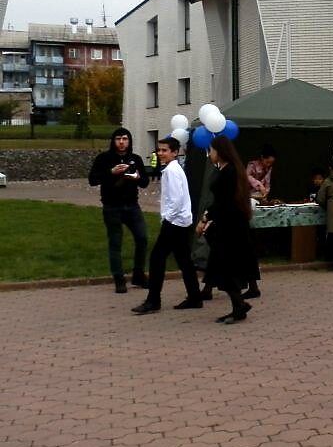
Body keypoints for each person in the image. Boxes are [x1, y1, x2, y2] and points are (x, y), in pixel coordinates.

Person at [131, 137, 202, 315]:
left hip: (175, 222)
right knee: (184, 259)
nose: (161, 153)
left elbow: (176, 199)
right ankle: (195, 296)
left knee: (157, 258)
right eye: (159, 150)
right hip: (181, 220)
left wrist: (167, 218)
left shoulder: (171, 171)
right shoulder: (173, 169)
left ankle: (153, 300)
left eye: (165, 150)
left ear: (174, 152)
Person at [197, 136, 258, 323]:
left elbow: (224, 202)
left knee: (225, 266)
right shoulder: (227, 170)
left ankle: (239, 305)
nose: (209, 154)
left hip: (229, 227)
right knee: (222, 266)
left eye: (211, 150)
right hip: (227, 224)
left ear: (220, 151)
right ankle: (239, 305)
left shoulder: (229, 172)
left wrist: (205, 218)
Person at [88, 127, 151, 293]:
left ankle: (138, 274)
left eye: (125, 139)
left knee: (142, 237)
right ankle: (119, 278)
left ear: (129, 141)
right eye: (118, 139)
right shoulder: (104, 158)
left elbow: (145, 182)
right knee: (115, 242)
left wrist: (137, 177)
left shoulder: (135, 159)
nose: (121, 142)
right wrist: (111, 172)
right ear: (113, 141)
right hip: (112, 206)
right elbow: (92, 180)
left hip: (132, 205)